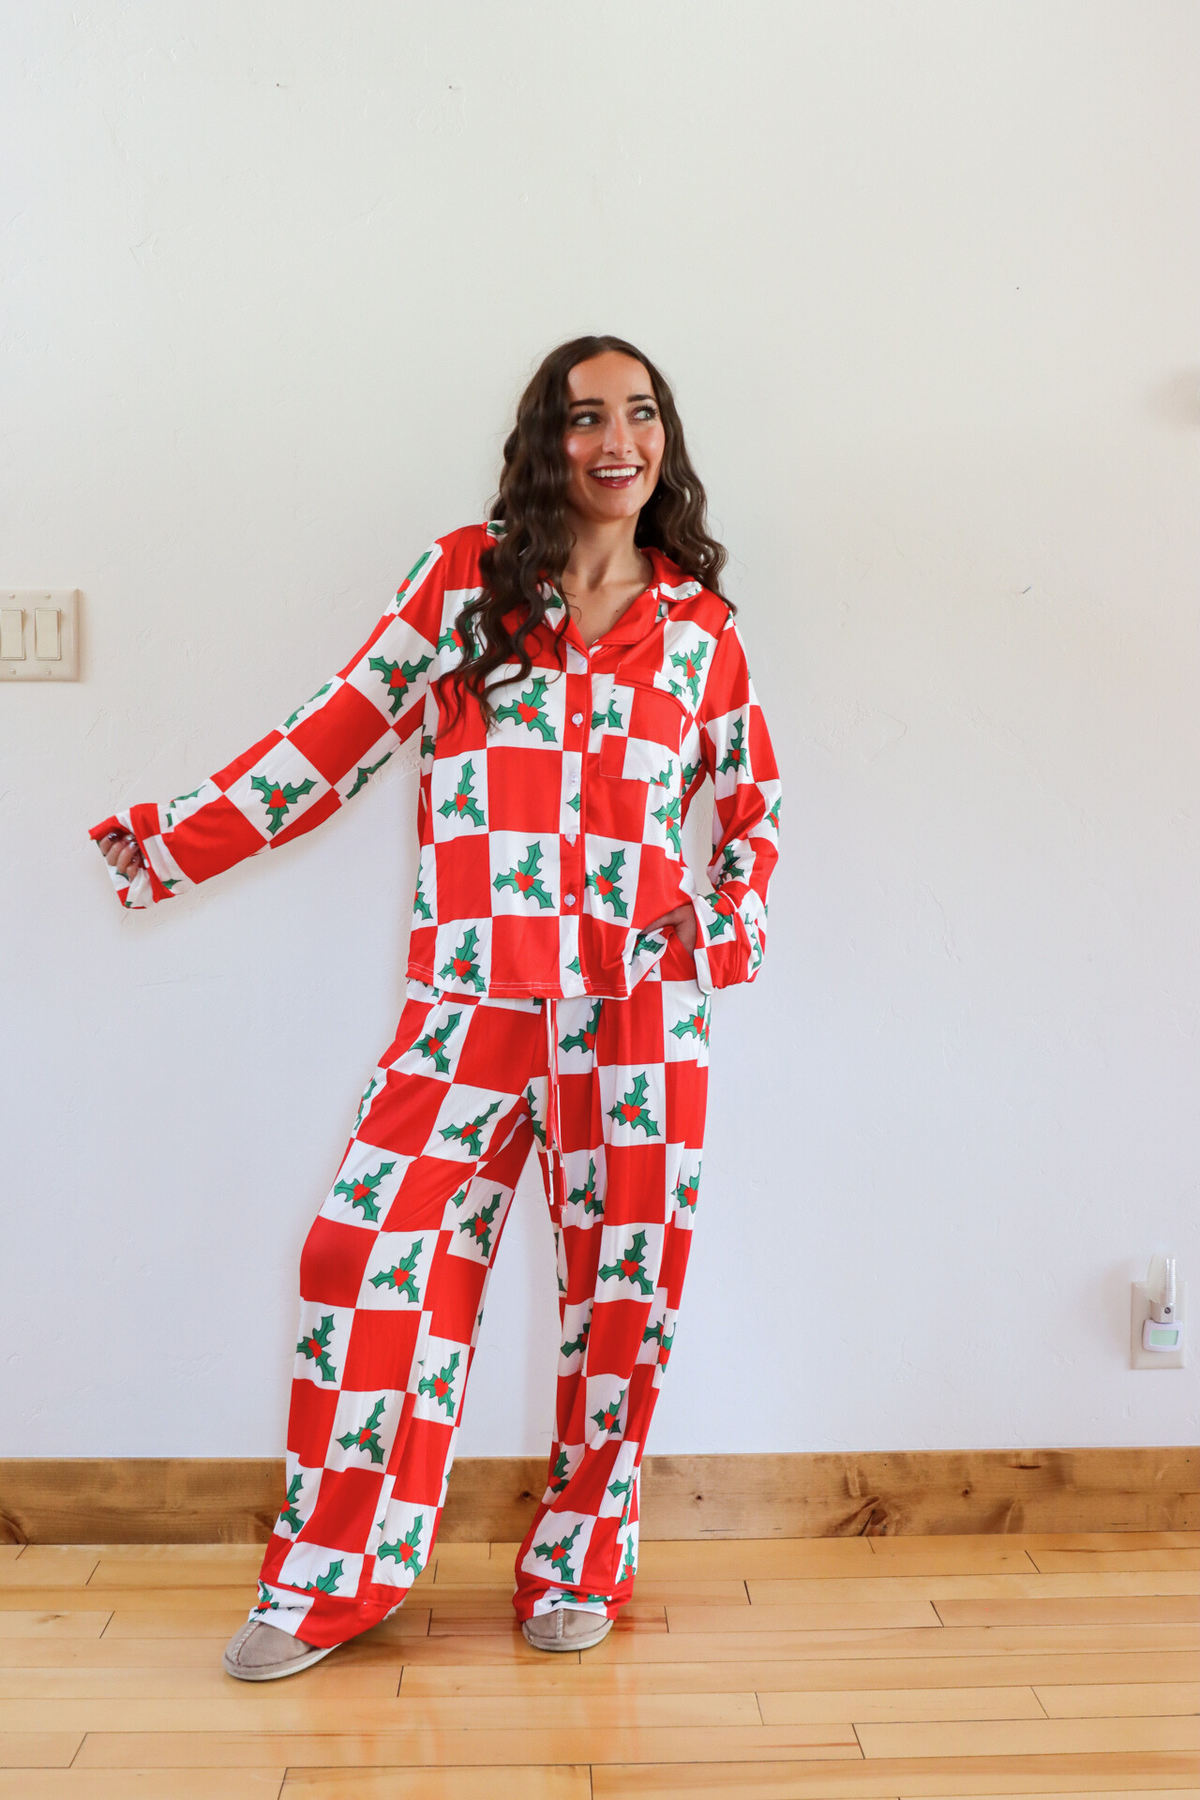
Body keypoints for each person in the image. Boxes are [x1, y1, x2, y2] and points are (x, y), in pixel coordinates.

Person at [92, 334, 781, 1680]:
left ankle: (580, 1561)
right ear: (543, 441)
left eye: (641, 413)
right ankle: (331, 1578)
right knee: (359, 1263)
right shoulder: (466, 583)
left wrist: (711, 928)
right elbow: (332, 740)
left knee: (625, 1301)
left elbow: (753, 815)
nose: (618, 441)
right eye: (586, 417)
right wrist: (171, 843)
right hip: (468, 1005)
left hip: (637, 1021)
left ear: (667, 440)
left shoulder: (701, 631)